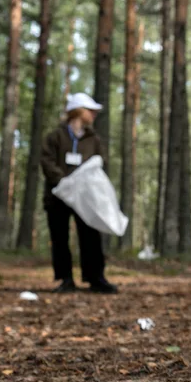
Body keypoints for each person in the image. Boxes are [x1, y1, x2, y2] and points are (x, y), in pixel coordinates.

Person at [40, 93, 118, 294]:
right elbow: (47, 161)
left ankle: (96, 278)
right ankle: (65, 279)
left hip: (85, 197)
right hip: (58, 195)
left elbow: (101, 162)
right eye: (90, 110)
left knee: (91, 235)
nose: (93, 115)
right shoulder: (56, 136)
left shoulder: (93, 139)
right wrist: (62, 181)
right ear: (78, 111)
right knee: (59, 237)